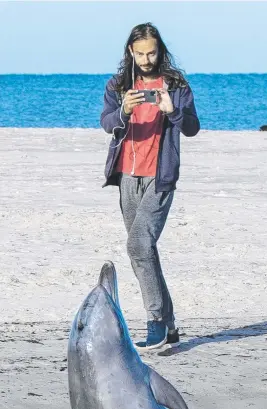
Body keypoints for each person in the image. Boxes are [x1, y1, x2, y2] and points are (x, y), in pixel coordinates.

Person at [100, 22, 200, 350]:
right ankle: (170, 327)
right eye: (140, 52)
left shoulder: (176, 85)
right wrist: (123, 112)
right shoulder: (117, 85)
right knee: (146, 250)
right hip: (127, 176)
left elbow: (192, 127)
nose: (146, 59)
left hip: (161, 177)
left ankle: (155, 320)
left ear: (160, 50)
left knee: (138, 247)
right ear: (131, 50)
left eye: (151, 52)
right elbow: (106, 122)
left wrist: (172, 111)